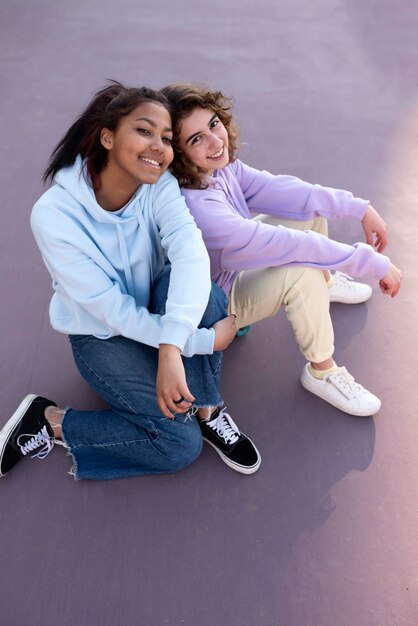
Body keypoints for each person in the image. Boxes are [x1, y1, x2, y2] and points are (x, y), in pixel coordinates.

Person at [0, 82, 261, 480]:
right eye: (144, 131)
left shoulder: (159, 186)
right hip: (101, 335)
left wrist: (171, 345)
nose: (159, 146)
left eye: (167, 138)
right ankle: (49, 420)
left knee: (203, 292)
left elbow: (190, 255)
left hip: (156, 308)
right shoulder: (54, 216)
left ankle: (207, 409)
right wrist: (196, 342)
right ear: (108, 137)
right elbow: (113, 311)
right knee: (179, 445)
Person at [161, 83, 403, 417]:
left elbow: (289, 193)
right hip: (218, 306)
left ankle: (326, 284)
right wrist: (371, 263)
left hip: (236, 267)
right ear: (180, 154)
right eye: (196, 139)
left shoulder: (221, 169)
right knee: (299, 270)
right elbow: (289, 246)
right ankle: (322, 372)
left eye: (213, 124)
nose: (216, 142)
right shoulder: (199, 208)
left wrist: (359, 208)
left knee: (304, 210)